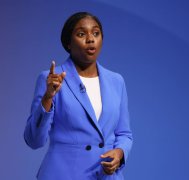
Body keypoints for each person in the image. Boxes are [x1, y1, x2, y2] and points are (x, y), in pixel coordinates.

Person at [24, 12, 133, 180]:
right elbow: (34, 140)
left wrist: (120, 154)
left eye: (96, 33)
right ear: (68, 43)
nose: (90, 39)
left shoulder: (116, 81)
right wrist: (48, 97)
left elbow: (124, 134)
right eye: (82, 34)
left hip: (106, 176)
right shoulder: (51, 79)